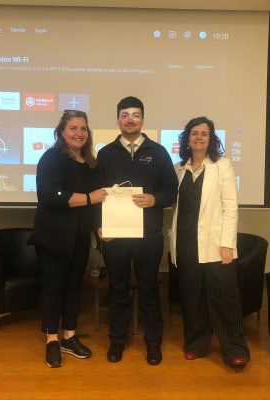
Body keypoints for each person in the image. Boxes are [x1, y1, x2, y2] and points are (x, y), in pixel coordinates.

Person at [97, 96, 177, 365]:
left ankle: (153, 343)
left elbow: (171, 190)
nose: (130, 120)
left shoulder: (159, 152)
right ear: (118, 120)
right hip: (115, 235)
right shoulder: (105, 154)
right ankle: (117, 340)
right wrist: (100, 226)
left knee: (148, 289)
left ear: (143, 119)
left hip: (149, 235)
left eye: (135, 115)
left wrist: (155, 199)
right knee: (117, 289)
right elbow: (97, 194)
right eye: (125, 115)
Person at [29, 110, 107, 368]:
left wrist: (100, 226)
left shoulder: (90, 163)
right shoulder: (52, 157)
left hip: (80, 236)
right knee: (53, 287)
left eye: (83, 128)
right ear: (61, 132)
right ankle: (52, 339)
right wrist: (88, 198)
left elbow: (99, 202)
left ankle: (69, 337)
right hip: (54, 236)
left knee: (74, 286)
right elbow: (51, 196)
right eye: (73, 128)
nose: (79, 133)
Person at [169, 116, 250, 367]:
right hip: (185, 241)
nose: (199, 137)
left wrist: (227, 244)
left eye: (204, 133)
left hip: (216, 243)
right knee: (192, 296)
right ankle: (196, 343)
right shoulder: (179, 168)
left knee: (224, 296)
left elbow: (231, 207)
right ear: (187, 139)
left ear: (211, 139)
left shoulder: (222, 166)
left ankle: (234, 348)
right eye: (194, 133)